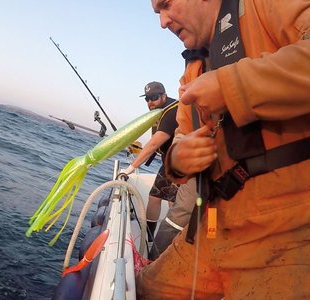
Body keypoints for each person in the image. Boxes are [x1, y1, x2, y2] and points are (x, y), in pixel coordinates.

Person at [136, 0, 310, 298]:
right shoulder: (191, 72)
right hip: (212, 232)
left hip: (290, 234)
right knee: (141, 291)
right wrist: (178, 158)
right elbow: (179, 139)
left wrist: (232, 86)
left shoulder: (267, 5)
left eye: (166, 5)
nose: (163, 22)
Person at [122, 81, 179, 244]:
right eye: (147, 99)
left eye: (154, 97)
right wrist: (139, 151)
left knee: (173, 202)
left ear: (164, 96)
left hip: (181, 164)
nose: (150, 102)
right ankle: (148, 237)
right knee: (155, 196)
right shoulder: (159, 110)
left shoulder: (171, 111)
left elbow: (155, 142)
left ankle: (172, 241)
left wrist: (131, 168)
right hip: (168, 161)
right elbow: (157, 145)